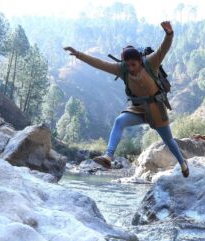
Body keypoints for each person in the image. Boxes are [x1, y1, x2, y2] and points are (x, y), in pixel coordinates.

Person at [64, 21, 189, 177]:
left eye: (133, 65)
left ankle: (183, 164)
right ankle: (108, 156)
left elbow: (164, 48)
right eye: (127, 65)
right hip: (138, 108)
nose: (130, 68)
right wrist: (79, 54)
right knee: (119, 121)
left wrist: (169, 34)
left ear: (139, 61)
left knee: (169, 141)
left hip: (156, 108)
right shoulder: (121, 69)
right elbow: (100, 64)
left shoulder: (151, 62)